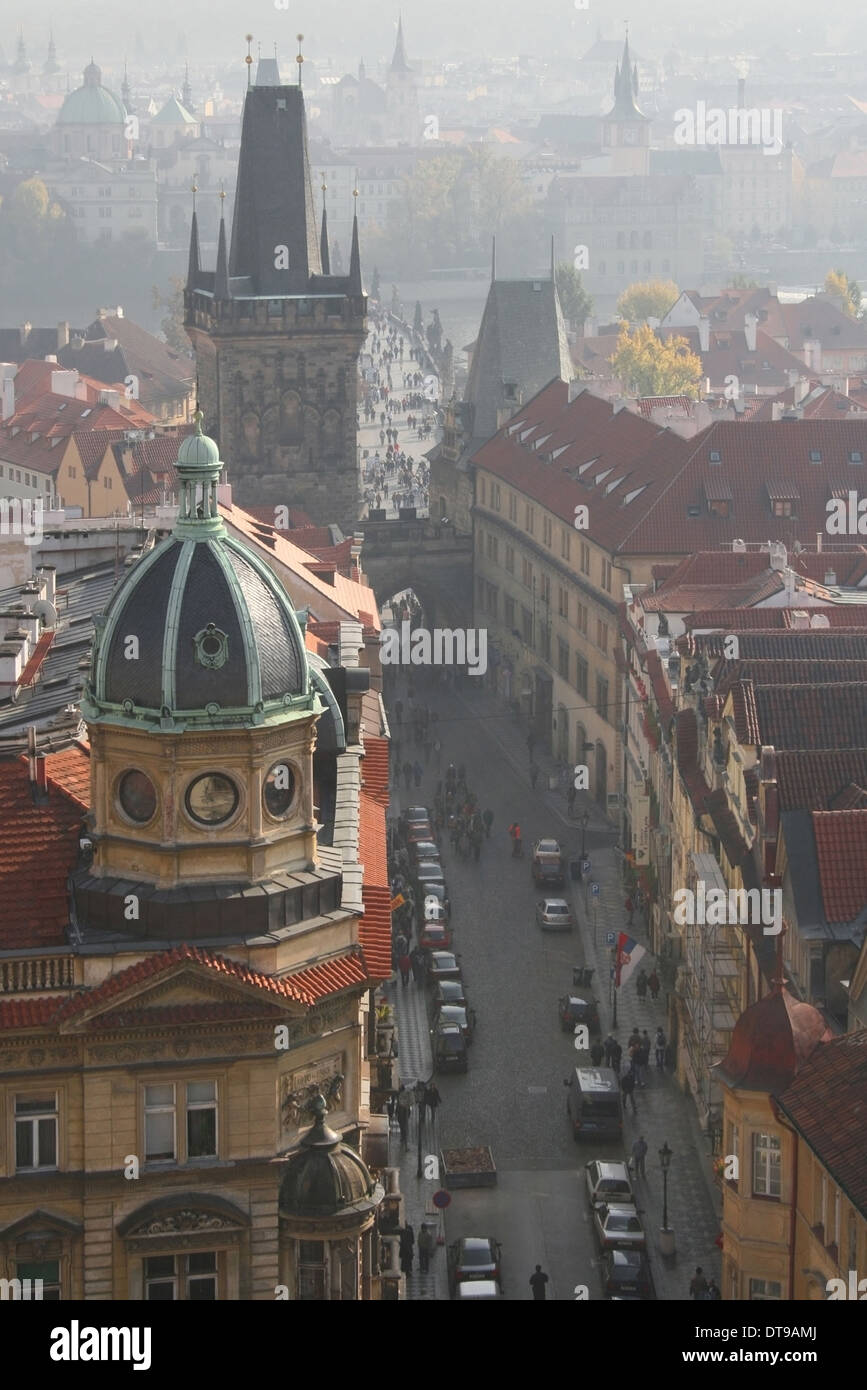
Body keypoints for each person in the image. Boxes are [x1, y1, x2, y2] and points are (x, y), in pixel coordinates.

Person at [396, 1084, 412, 1149]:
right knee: (403, 1129)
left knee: (403, 1129)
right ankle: (403, 1139)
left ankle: (404, 1140)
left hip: (402, 1118)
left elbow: (408, 1110)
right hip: (401, 1117)